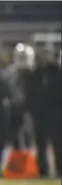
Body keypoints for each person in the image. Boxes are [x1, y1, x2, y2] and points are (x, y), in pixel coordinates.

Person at [26, 47, 62, 177]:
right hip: (39, 113)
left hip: (55, 113)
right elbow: (30, 93)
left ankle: (59, 169)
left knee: (57, 142)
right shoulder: (35, 73)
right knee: (40, 142)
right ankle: (42, 169)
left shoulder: (57, 72)